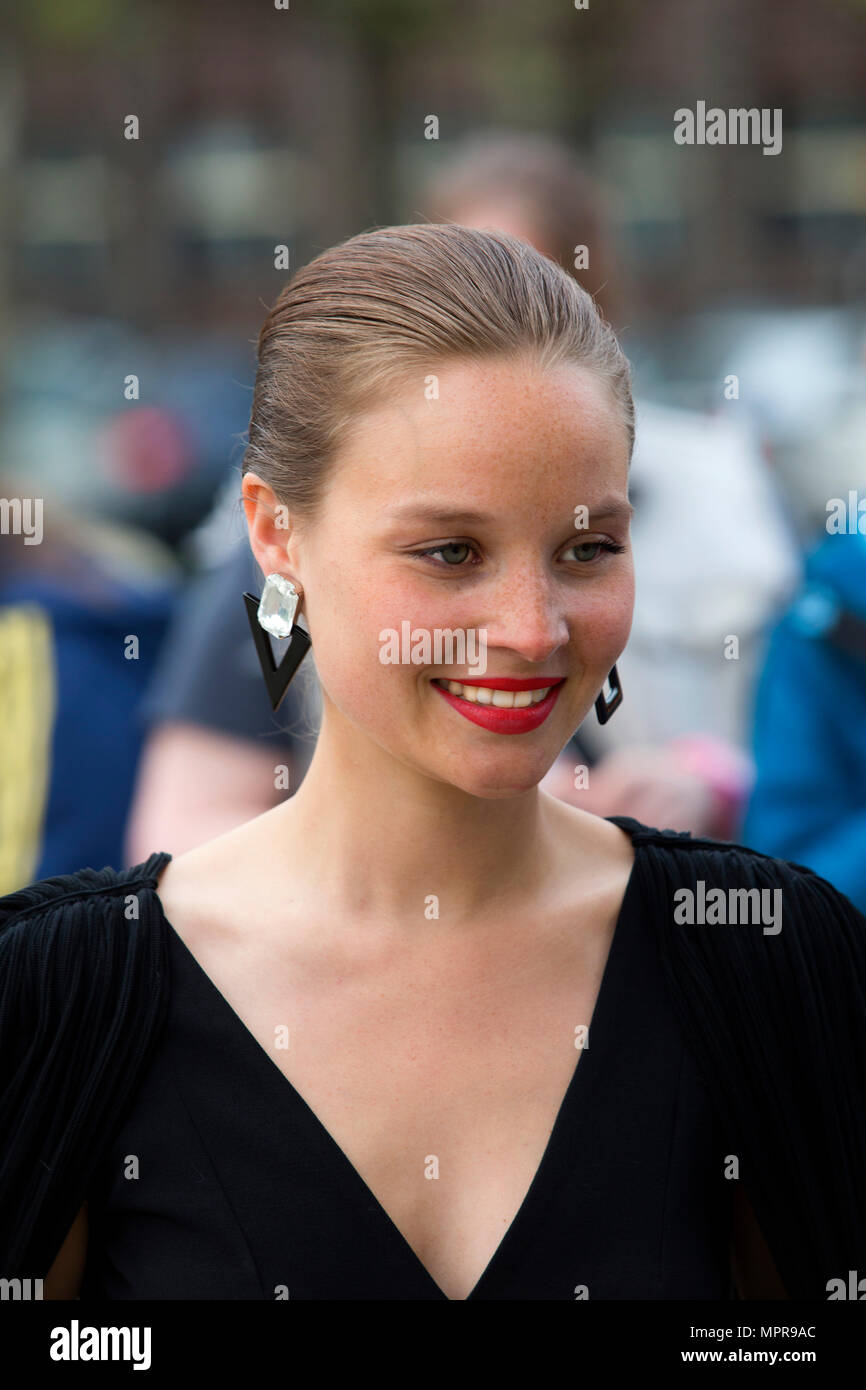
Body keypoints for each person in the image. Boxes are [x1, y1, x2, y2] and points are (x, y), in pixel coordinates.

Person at [1, 225, 864, 1301]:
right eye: (449, 551)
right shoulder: (64, 998)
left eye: (585, 547)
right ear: (275, 534)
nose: (532, 627)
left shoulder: (762, 960)